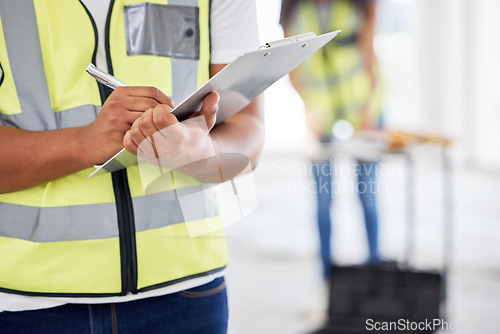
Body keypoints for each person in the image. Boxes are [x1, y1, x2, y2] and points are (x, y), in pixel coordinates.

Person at [0, 0, 263, 333]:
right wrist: (83, 143)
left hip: (187, 290)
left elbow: (250, 132)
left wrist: (203, 154)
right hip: (28, 301)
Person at [280, 0, 384, 279]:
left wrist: (369, 111)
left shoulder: (359, 5)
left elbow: (368, 53)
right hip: (322, 119)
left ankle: (375, 275)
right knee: (323, 204)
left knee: (368, 197)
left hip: (364, 112)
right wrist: (309, 110)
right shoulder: (294, 10)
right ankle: (328, 284)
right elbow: (292, 66)